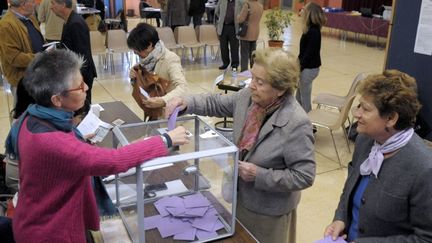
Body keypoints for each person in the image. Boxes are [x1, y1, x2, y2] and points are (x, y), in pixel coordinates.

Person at [5, 49, 190, 242]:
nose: (86, 88)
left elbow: (71, 156)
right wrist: (166, 139)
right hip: (51, 232)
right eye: (79, 86)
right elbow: (113, 161)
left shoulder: (30, 117)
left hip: (37, 218)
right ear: (57, 99)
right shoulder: (52, 142)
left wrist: (82, 144)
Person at [166, 48, 316, 243]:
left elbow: (304, 175)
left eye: (259, 82)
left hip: (268, 213)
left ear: (280, 89)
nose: (251, 85)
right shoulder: (248, 97)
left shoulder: (296, 122)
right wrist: (186, 103)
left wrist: (259, 175)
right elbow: (216, 103)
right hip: (240, 198)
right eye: (252, 77)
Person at [324, 70, 432, 242]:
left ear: (391, 118)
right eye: (359, 106)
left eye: (365, 109)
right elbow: (349, 188)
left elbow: (426, 238)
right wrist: (341, 218)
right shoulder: (365, 141)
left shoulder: (424, 169)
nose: (356, 114)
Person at [127, 23, 188, 120]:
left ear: (149, 45)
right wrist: (134, 78)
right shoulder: (146, 60)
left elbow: (183, 88)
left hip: (171, 115)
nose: (135, 53)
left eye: (137, 50)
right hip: (154, 113)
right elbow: (145, 86)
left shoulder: (170, 59)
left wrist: (163, 100)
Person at [51, 0, 97, 103]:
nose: (51, 7)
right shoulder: (69, 21)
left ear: (62, 5)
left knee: (81, 110)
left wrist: (78, 81)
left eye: (53, 4)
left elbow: (82, 55)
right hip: (75, 74)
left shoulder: (75, 23)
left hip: (81, 76)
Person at [0, 0, 44, 103]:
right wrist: (39, 57)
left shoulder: (30, 18)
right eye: (32, 1)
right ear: (23, 5)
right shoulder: (6, 25)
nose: (35, 4)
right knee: (23, 114)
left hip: (36, 75)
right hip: (22, 80)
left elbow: (37, 39)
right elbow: (14, 58)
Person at [295, 2, 326, 113]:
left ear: (309, 13)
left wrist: (299, 67)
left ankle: (308, 123)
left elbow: (308, 54)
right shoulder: (310, 29)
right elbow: (303, 52)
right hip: (306, 67)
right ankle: (297, 119)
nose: (301, 11)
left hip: (309, 69)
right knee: (298, 97)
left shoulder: (313, 31)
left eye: (304, 9)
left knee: (304, 99)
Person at [215, 0, 243, 70]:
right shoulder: (222, 1)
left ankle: (235, 65)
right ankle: (225, 63)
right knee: (223, 47)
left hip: (234, 27)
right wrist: (222, 19)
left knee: (234, 47)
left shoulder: (239, 2)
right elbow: (217, 12)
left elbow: (243, 13)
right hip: (223, 27)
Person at [236, 0, 263, 72]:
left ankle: (244, 72)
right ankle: (254, 70)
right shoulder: (260, 6)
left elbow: (241, 19)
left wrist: (237, 16)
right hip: (256, 32)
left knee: (244, 54)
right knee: (253, 54)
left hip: (246, 33)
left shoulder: (247, 5)